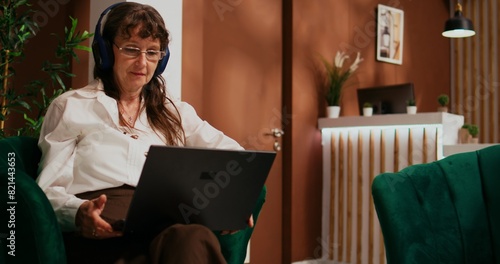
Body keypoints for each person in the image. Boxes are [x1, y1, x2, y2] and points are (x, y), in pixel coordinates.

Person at [36, 2, 252, 263]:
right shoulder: (71, 106)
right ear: (106, 51)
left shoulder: (175, 113)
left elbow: (234, 157)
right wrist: (79, 212)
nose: (142, 62)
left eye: (152, 52)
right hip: (104, 229)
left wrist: (235, 198)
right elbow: (47, 191)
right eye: (131, 49)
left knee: (191, 238)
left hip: (164, 225)